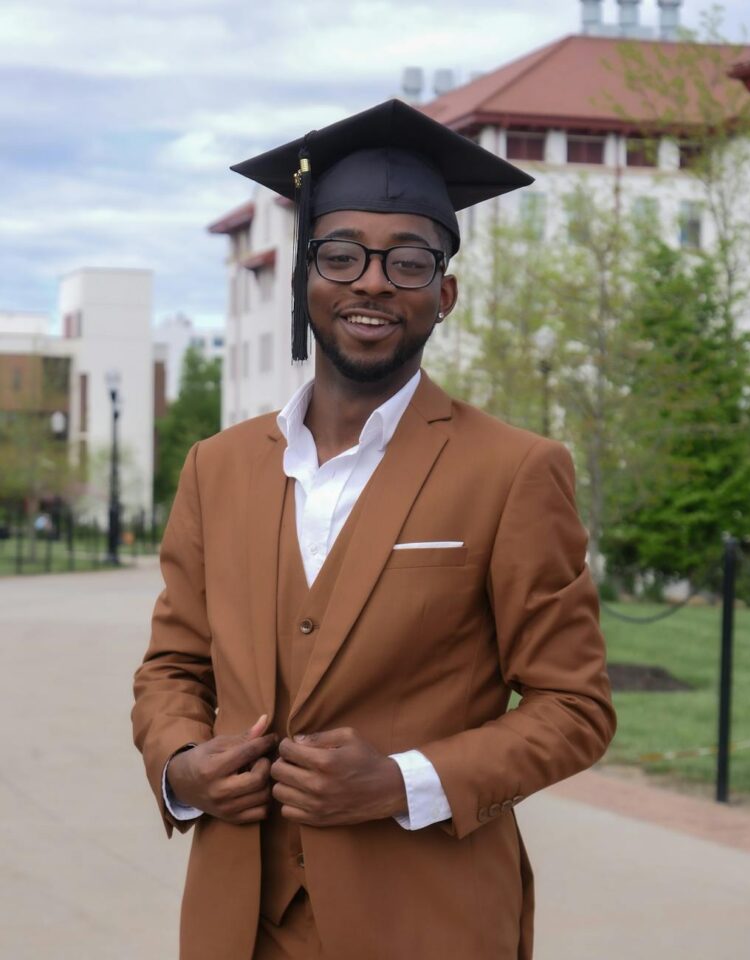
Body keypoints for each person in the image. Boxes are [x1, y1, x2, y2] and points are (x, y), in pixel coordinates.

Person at [132, 99, 615, 960]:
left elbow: (574, 708)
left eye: (409, 261)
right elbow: (174, 664)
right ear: (305, 277)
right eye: (342, 255)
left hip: (428, 921)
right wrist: (180, 768)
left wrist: (401, 781)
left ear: (445, 294)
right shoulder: (218, 466)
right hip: (235, 921)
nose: (371, 282)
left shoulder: (514, 471)